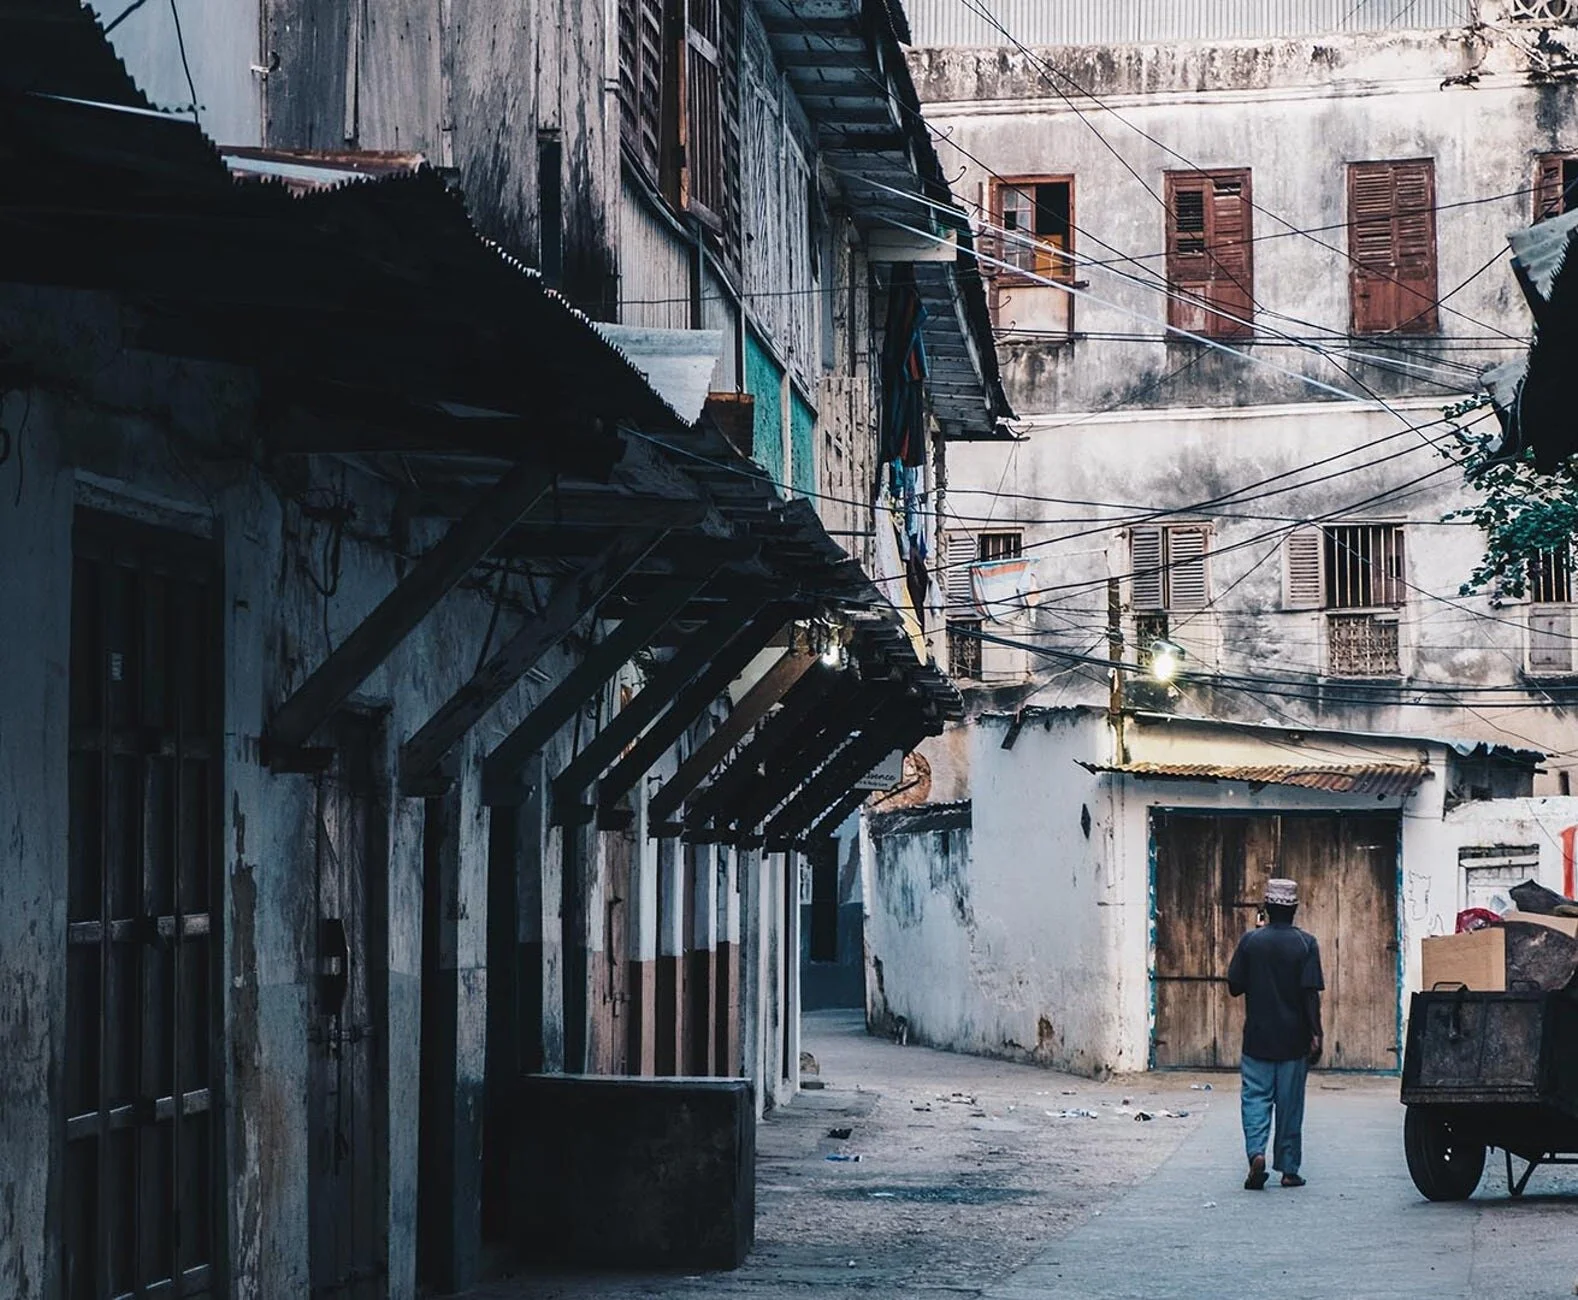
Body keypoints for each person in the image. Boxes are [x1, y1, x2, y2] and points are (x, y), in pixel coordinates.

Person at [1227, 877, 1324, 1191]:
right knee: (1289, 1104)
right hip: (1293, 1040)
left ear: (1266, 908)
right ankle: (1288, 1170)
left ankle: (1256, 1153)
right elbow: (1310, 994)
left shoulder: (1251, 942)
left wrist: (1253, 944)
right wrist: (1316, 1034)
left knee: (1255, 1099)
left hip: (1256, 1038)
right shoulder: (1306, 943)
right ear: (1294, 908)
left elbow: (1234, 986)